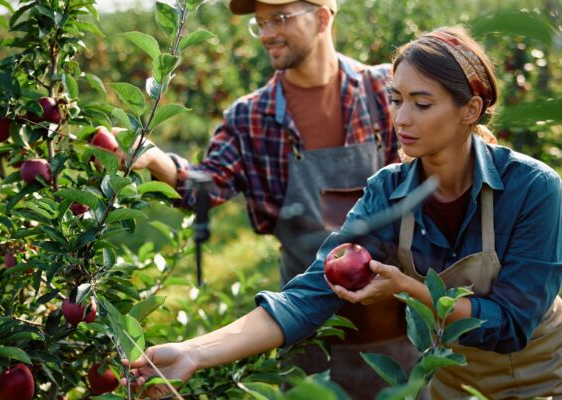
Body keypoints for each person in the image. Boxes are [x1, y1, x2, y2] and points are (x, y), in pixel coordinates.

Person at [124, 26, 562, 399]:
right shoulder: (389, 190)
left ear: (470, 108)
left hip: (543, 378)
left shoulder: (531, 189)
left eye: (421, 103)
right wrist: (192, 353)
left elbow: (510, 325)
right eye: (396, 99)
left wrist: (410, 290)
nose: (401, 119)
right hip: (451, 374)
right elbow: (307, 295)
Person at [126, 0, 421, 395]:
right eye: (260, 23)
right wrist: (158, 161)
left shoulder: (384, 92)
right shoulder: (251, 115)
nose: (266, 34)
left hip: (398, 336)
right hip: (303, 336)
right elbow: (209, 184)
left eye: (279, 18)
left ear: (321, 16)